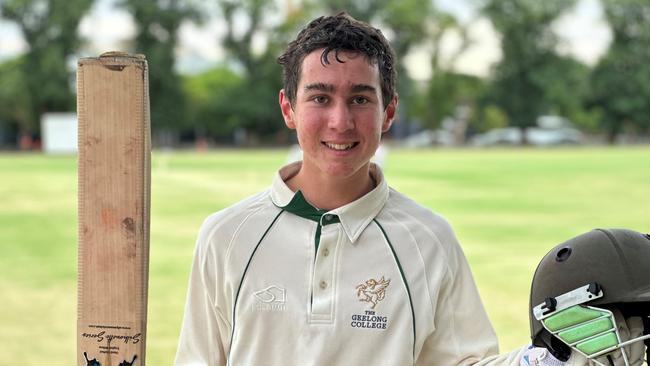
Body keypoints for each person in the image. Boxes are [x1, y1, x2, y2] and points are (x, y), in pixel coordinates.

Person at [173, 12, 640, 366]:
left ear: (389, 111)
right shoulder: (227, 236)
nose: (340, 120)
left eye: (361, 98)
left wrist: (556, 358)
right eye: (320, 97)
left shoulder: (429, 239)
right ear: (288, 108)